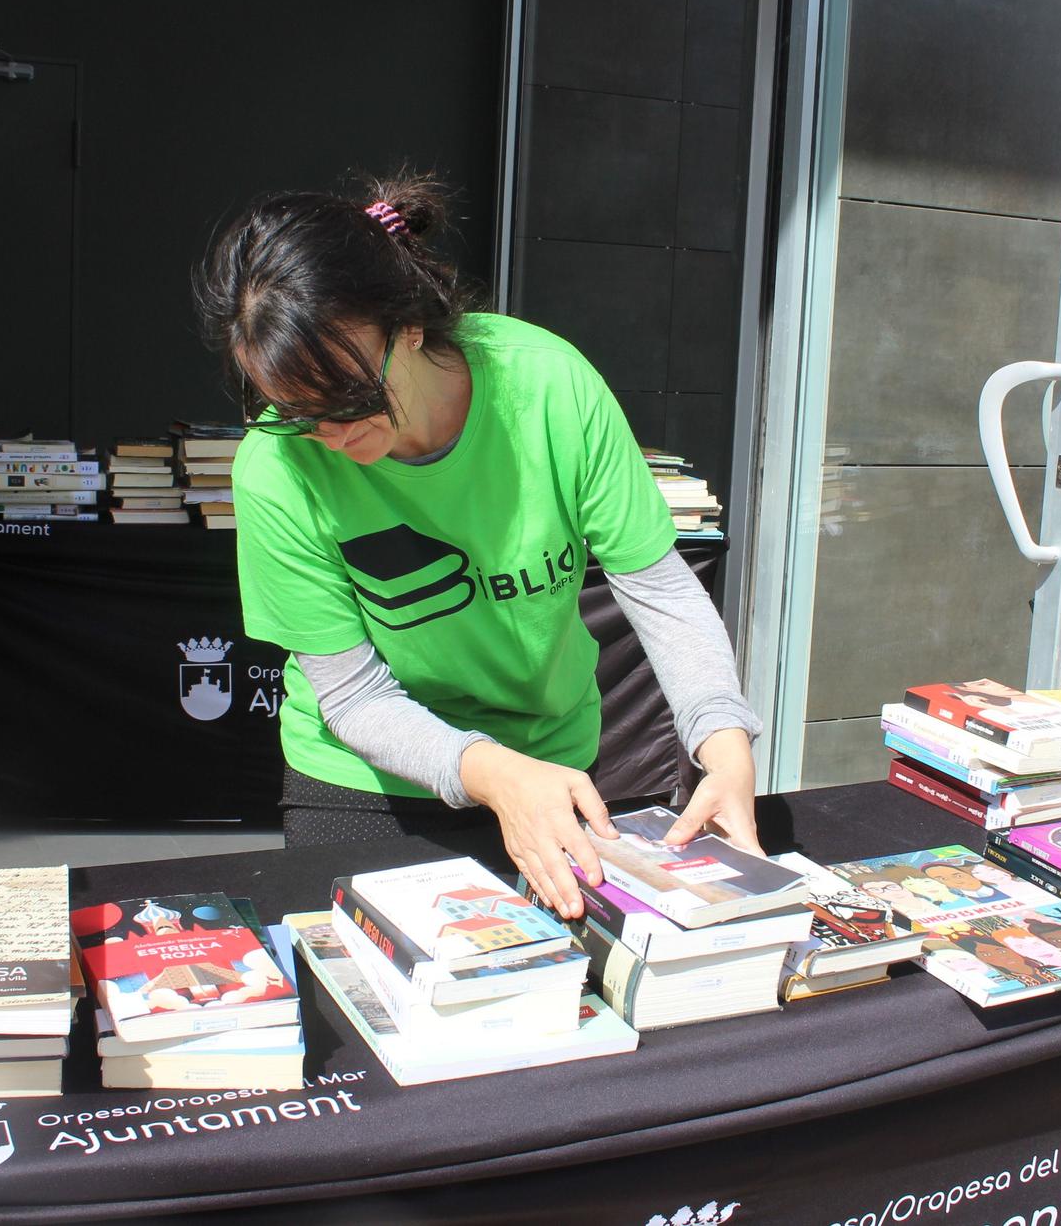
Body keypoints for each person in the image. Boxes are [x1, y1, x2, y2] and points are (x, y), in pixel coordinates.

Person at [194, 174, 763, 919]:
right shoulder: (274, 466)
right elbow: (355, 696)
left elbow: (659, 588)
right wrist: (491, 773)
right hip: (370, 787)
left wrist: (722, 739)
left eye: (345, 398)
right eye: (291, 410)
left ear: (409, 325)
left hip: (550, 757)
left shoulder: (548, 385)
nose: (327, 435)